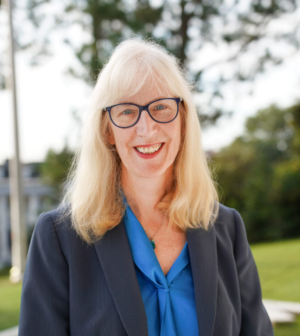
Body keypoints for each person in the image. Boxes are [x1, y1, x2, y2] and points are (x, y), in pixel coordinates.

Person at [19, 39, 274, 336]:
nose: (147, 128)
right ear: (107, 130)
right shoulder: (59, 238)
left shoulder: (227, 228)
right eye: (127, 111)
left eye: (162, 107)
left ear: (183, 120)